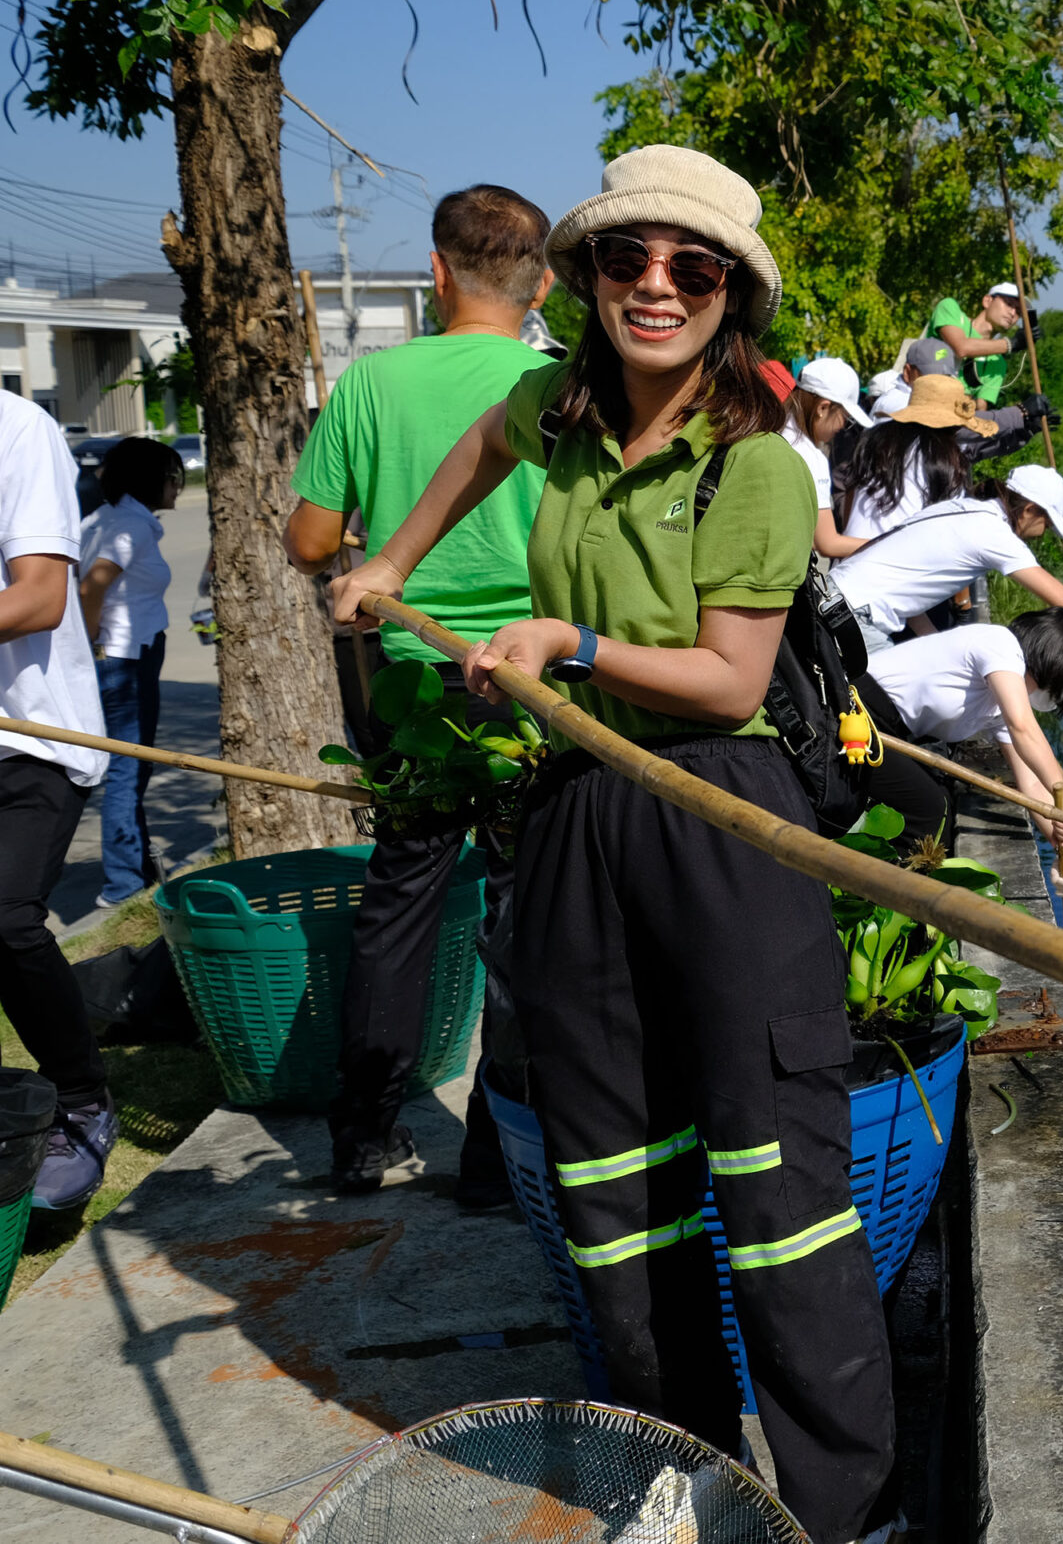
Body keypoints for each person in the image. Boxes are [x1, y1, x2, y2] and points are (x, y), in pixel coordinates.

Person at [329, 143, 896, 1543]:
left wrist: (569, 642)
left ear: (729, 295)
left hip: (718, 814)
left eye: (689, 267)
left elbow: (731, 681)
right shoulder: (554, 409)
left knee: (781, 1200)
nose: (656, 286)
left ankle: (842, 1513)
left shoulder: (756, 465)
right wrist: (392, 561)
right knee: (613, 1188)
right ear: (583, 278)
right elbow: (478, 449)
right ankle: (689, 1475)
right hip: (579, 810)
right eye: (627, 259)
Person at [287, 183, 560, 1200]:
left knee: (400, 902)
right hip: (537, 686)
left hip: (415, 682)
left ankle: (364, 1136)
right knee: (528, 910)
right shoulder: (559, 383)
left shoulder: (370, 383)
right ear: (539, 285)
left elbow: (311, 542)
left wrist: (374, 545)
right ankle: (498, 1155)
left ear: (438, 271)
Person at [0, 388, 116, 1211]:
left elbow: (41, 594)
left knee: (3, 918)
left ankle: (81, 1097)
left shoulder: (17, 430)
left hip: (29, 735)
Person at [827, 458, 1063, 659]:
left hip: (832, 594)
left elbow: (909, 587)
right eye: (1048, 522)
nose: (1045, 530)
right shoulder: (994, 534)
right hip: (854, 617)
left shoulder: (963, 508)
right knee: (887, 713)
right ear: (1030, 510)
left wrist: (934, 644)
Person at [858, 610, 1063, 866]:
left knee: (939, 806)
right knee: (930, 811)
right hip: (859, 709)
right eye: (1057, 690)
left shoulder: (1000, 706)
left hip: (888, 732)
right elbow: (1023, 727)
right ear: (1051, 664)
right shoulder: (1000, 644)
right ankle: (890, 893)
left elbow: (1032, 785)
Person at [78, 437, 186, 909]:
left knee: (132, 763)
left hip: (127, 652)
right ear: (152, 479)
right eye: (173, 476)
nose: (178, 486)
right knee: (126, 766)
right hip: (125, 657)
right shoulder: (128, 528)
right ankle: (122, 886)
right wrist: (91, 646)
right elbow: (90, 588)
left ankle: (137, 869)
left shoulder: (107, 519)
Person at [840, 374, 981, 551]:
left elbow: (850, 497)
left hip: (849, 558)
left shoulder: (873, 439)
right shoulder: (944, 458)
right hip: (896, 563)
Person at [866, 335, 1050, 467]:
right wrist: (1019, 413)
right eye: (930, 377)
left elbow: (970, 450)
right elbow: (963, 427)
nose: (938, 384)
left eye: (945, 378)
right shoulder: (895, 403)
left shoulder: (935, 414)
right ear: (907, 372)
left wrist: (1024, 430)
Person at [781, 358, 867, 562]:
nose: (842, 426)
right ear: (822, 408)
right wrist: (887, 544)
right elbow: (827, 543)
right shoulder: (811, 457)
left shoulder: (774, 430)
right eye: (844, 416)